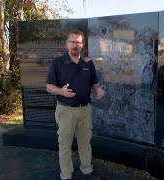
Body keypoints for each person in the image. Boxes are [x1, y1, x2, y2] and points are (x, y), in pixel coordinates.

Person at [46, 30, 105, 180]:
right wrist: (61, 91)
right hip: (66, 111)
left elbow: (94, 82)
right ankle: (66, 175)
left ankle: (87, 169)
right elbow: (49, 87)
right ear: (67, 43)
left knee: (85, 143)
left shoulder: (88, 62)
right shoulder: (57, 62)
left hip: (85, 110)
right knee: (65, 144)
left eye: (78, 42)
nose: (75, 45)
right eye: (72, 42)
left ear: (82, 45)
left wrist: (98, 90)